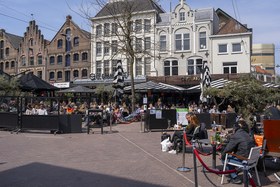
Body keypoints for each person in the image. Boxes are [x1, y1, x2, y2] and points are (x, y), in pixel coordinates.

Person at [220, 119, 255, 184]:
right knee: (231, 155)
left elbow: (228, 149)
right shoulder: (248, 134)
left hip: (244, 160)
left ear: (235, 128)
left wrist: (222, 156)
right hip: (253, 160)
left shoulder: (236, 135)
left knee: (224, 158)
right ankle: (236, 171)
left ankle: (234, 177)